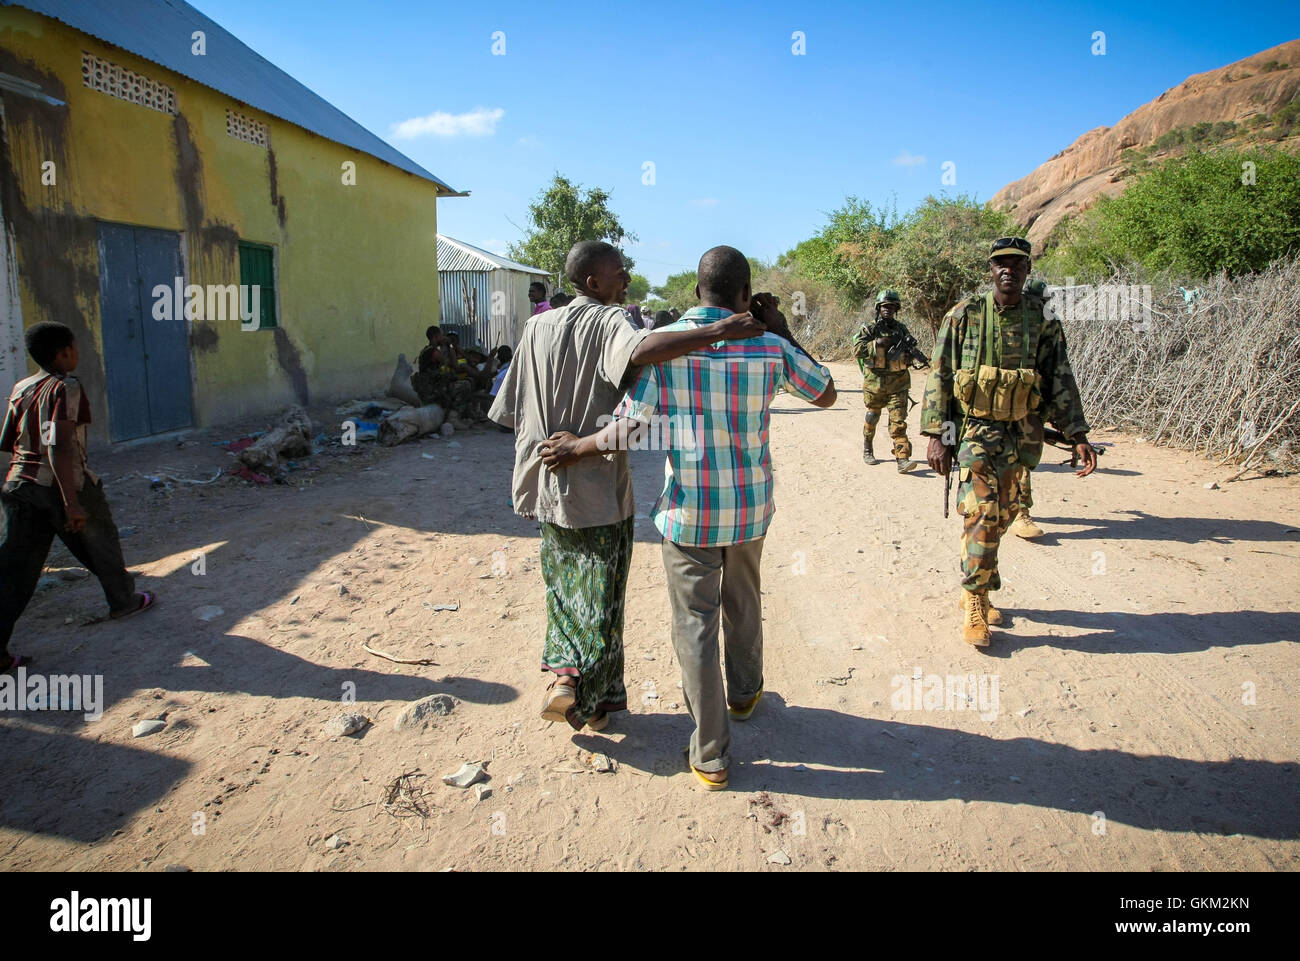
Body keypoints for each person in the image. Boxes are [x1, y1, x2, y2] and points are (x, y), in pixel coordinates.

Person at [542, 246, 836, 791]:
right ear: (746, 295)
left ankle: (711, 755)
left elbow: (629, 429)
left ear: (696, 293)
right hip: (749, 508)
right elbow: (826, 392)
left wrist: (578, 446)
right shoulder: (769, 346)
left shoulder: (669, 351)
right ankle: (744, 695)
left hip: (690, 514)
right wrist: (784, 330)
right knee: (744, 603)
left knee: (694, 627)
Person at [489, 241, 763, 731]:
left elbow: (511, 409)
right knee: (603, 590)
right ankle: (583, 692)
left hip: (543, 479)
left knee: (562, 584)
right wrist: (721, 328)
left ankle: (580, 687)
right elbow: (642, 353)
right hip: (595, 484)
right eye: (619, 273)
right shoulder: (612, 322)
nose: (627, 280)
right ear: (593, 283)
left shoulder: (534, 327)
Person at [920, 238, 1095, 647]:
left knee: (1005, 514)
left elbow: (1060, 378)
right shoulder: (964, 315)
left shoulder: (1044, 319)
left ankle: (975, 586)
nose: (1009, 271)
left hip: (1023, 433)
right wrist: (937, 436)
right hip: (975, 431)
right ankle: (976, 600)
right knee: (981, 512)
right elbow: (940, 375)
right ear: (990, 269)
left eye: (1017, 264)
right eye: (1001, 264)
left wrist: (1078, 434)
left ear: (1027, 270)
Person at [1, 322, 156, 670]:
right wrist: (70, 501)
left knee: (14, 572)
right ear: (64, 353)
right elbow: (58, 445)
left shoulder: (22, 387)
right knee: (102, 542)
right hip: (60, 484)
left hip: (18, 485)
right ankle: (124, 601)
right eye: (74, 347)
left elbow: (8, 441)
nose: (77, 353)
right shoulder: (65, 388)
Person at [852, 289, 919, 472]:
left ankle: (902, 458)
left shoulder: (901, 329)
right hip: (875, 383)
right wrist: (877, 344)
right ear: (878, 308)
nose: (888, 309)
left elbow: (909, 354)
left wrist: (909, 356)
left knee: (899, 422)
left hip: (898, 383)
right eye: (884, 306)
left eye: (891, 306)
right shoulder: (870, 329)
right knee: (872, 416)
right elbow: (857, 349)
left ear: (896, 308)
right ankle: (868, 447)